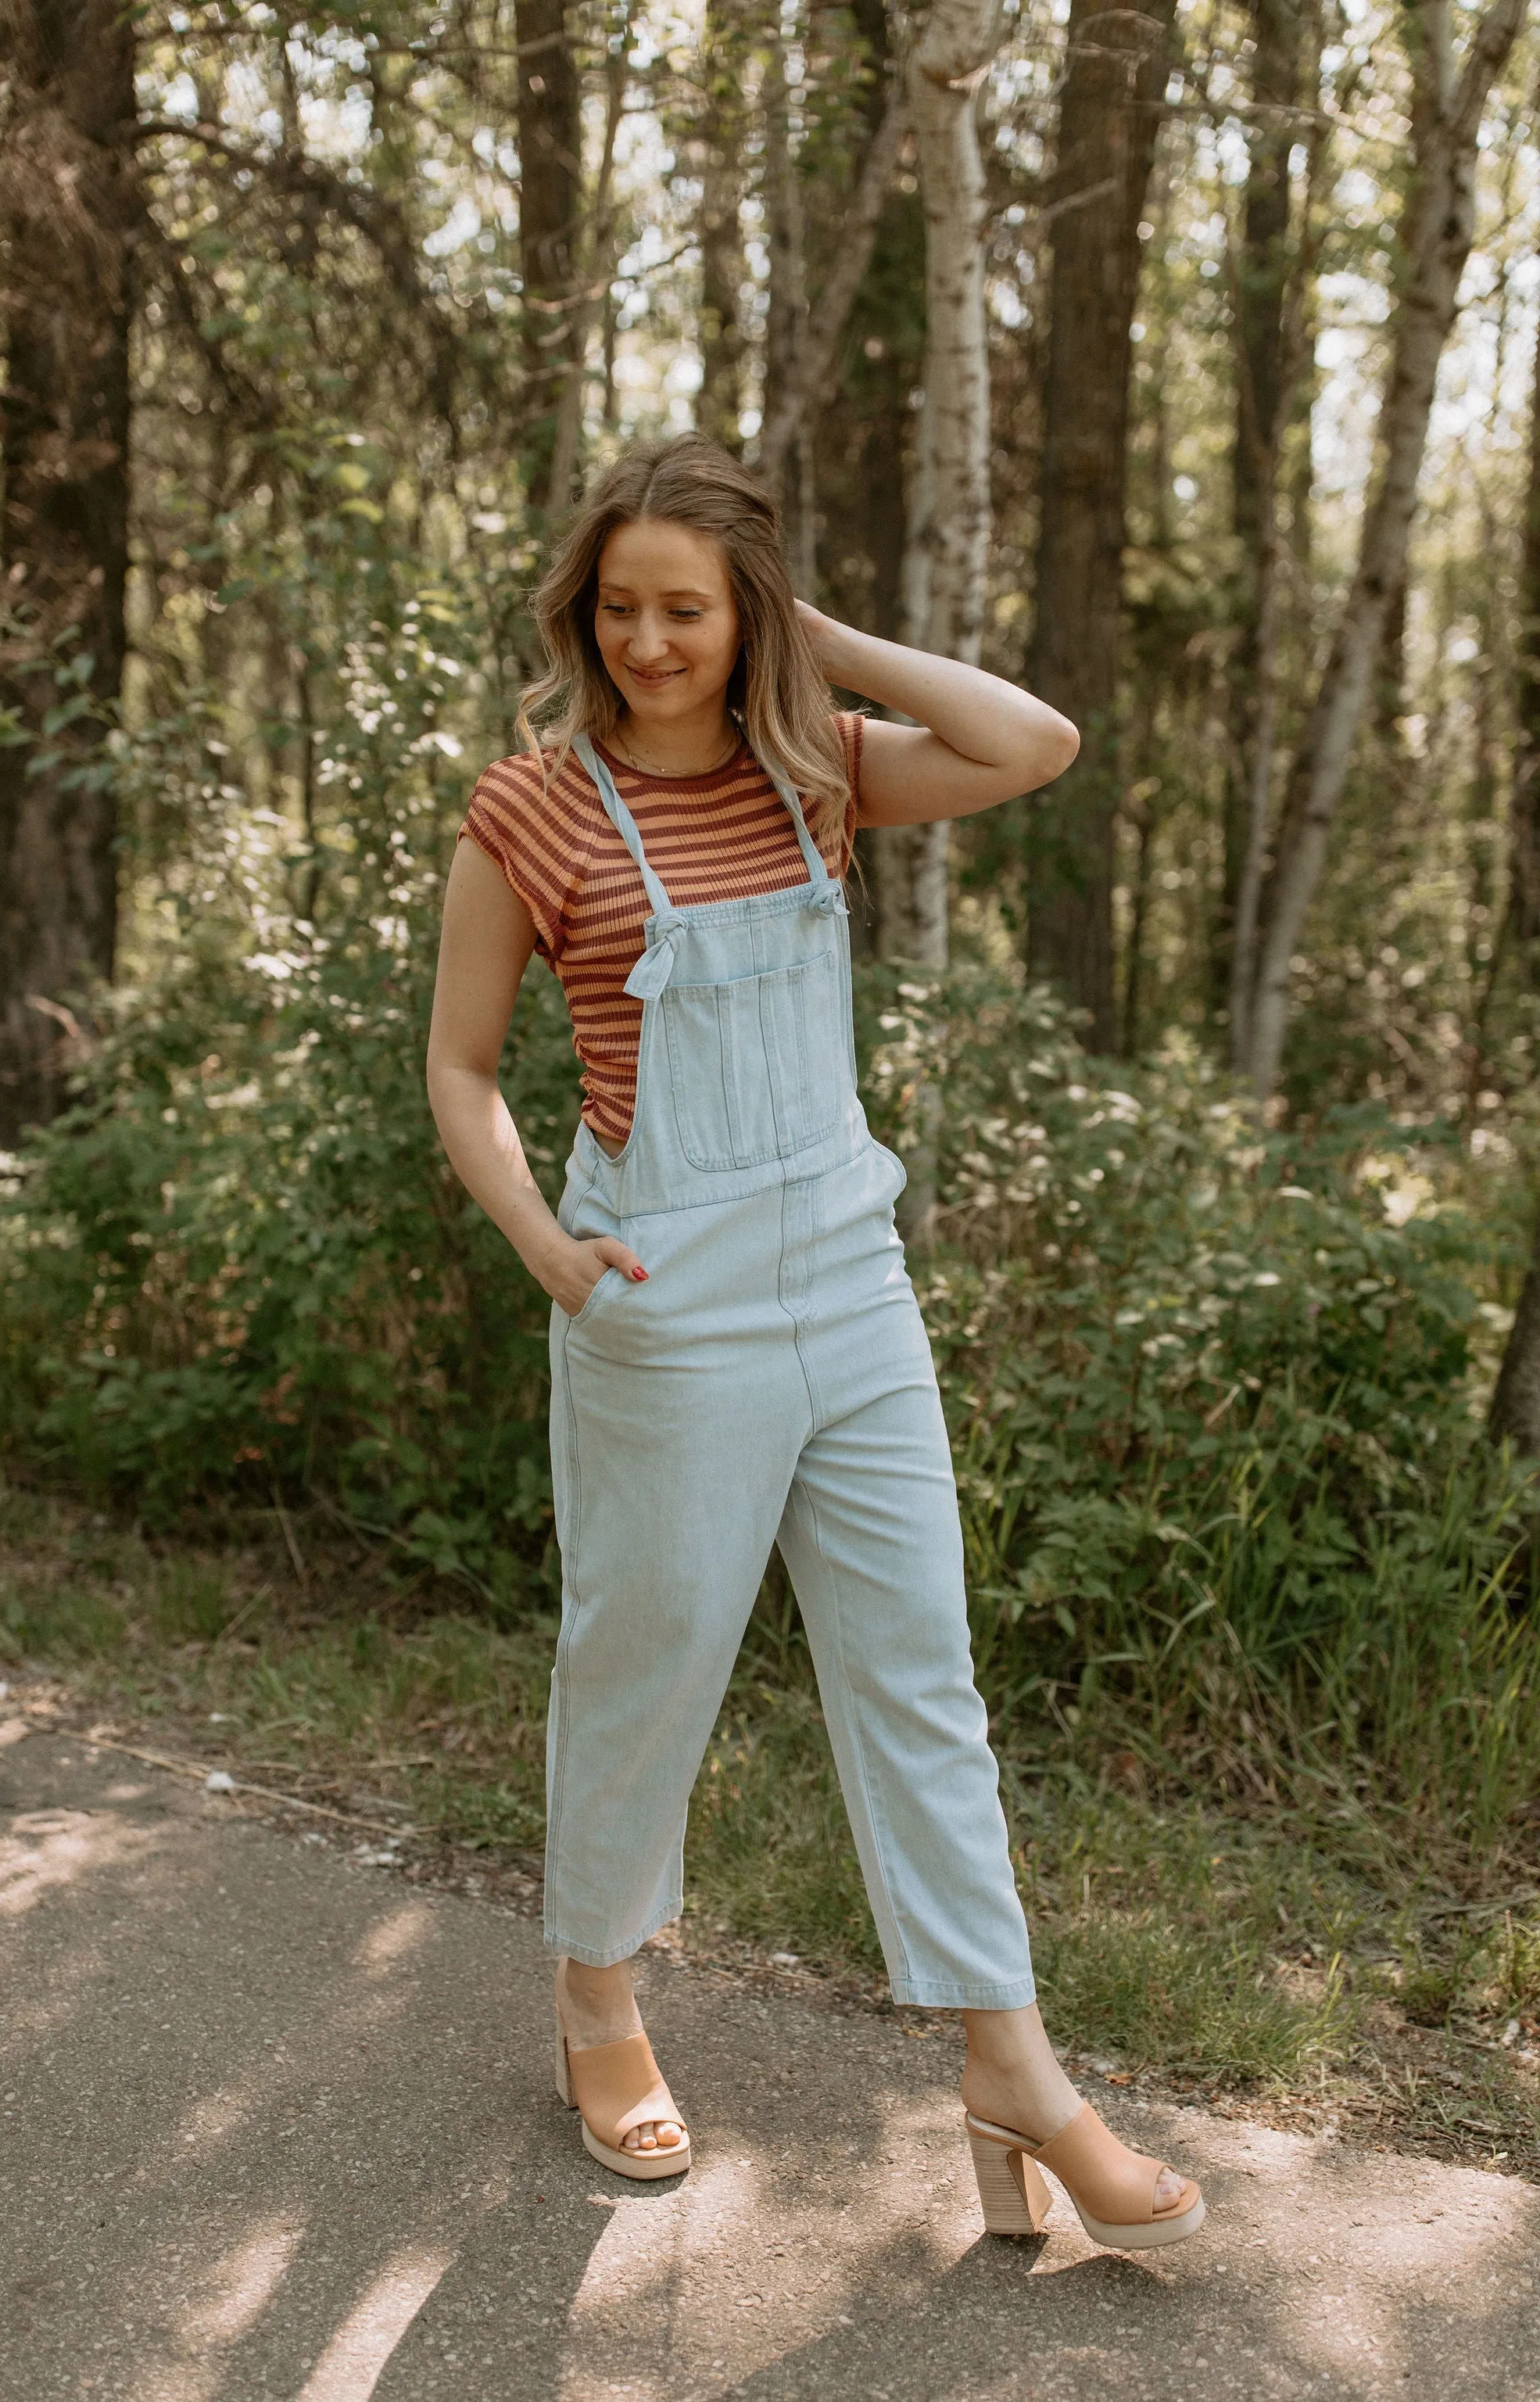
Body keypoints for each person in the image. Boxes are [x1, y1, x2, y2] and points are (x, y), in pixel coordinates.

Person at [427, 432, 1203, 2250]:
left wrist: (813, 635)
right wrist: (546, 1244)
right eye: (617, 607)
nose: (646, 642)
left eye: (686, 608)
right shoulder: (529, 808)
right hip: (661, 1304)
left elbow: (1034, 744)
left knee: (921, 1673)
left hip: (849, 1286)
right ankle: (596, 2007)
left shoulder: (814, 774)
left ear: (745, 609)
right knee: (652, 1659)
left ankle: (1009, 2066)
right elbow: (461, 1070)